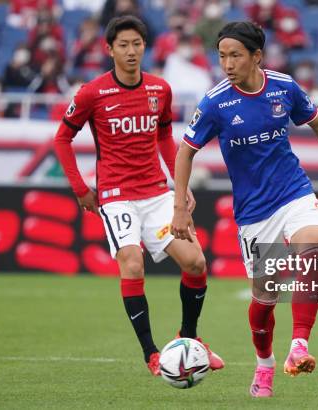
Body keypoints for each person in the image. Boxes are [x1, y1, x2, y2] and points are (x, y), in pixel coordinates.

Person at [171, 21, 318, 397]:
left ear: (256, 56)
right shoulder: (216, 102)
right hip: (254, 214)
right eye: (222, 56)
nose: (227, 64)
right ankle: (264, 363)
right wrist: (180, 204)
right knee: (265, 300)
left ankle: (298, 346)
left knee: (312, 251)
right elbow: (185, 152)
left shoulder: (284, 87)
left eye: (235, 55)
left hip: (294, 192)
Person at [53, 15, 224, 376]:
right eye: (123, 45)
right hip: (117, 196)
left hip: (157, 195)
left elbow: (164, 138)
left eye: (137, 44)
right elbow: (62, 138)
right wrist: (81, 189)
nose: (131, 51)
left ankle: (190, 338)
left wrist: (180, 187)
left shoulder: (160, 89)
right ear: (109, 49)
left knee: (196, 263)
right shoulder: (92, 93)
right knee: (132, 262)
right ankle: (151, 354)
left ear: (145, 47)